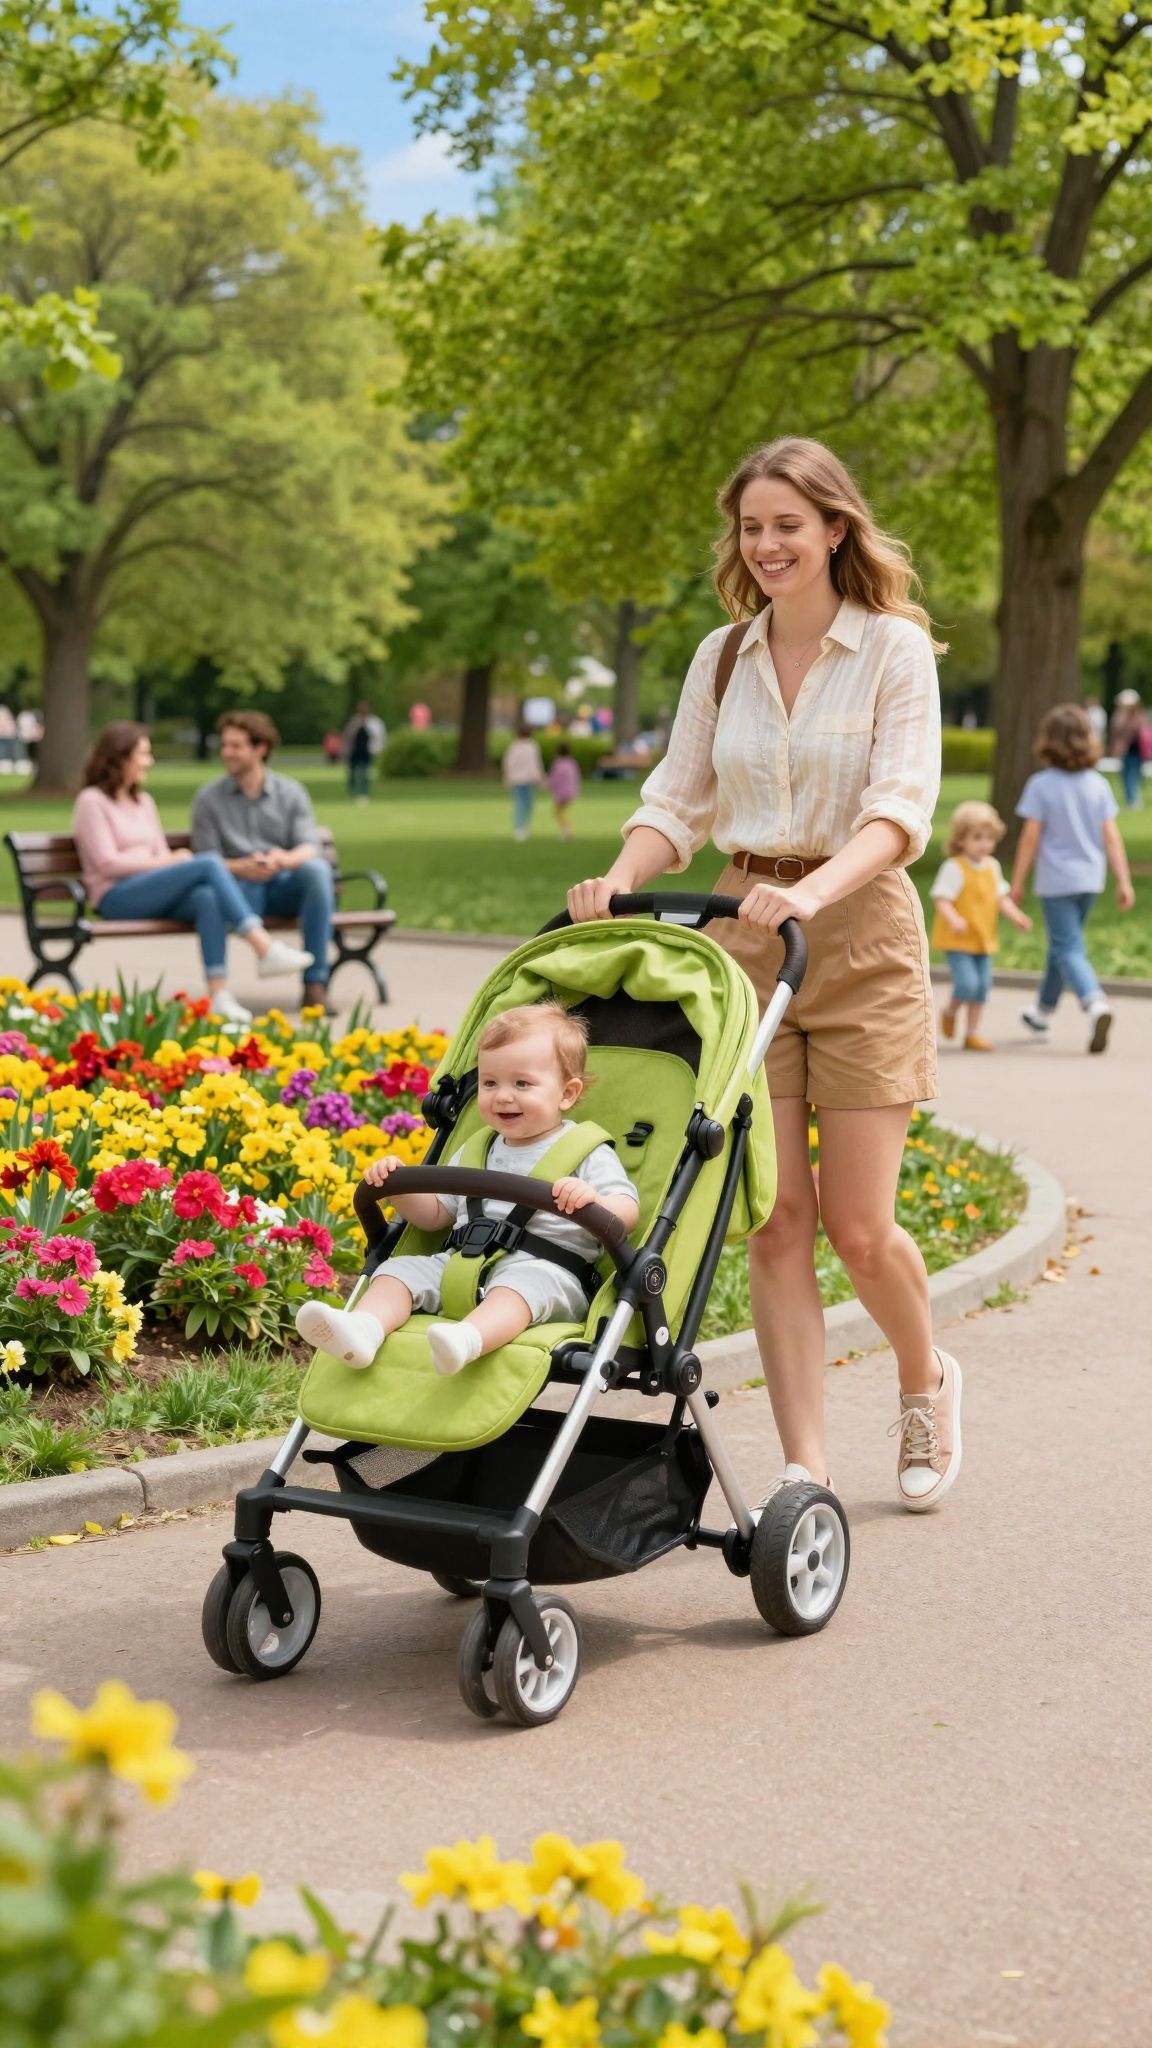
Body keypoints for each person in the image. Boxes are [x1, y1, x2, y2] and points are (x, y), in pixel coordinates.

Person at [566, 435, 960, 1511]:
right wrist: (619, 873)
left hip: (861, 934)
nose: (769, 543)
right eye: (753, 526)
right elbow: (677, 800)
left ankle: (923, 1379)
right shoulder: (723, 655)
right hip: (745, 942)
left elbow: (900, 807)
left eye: (790, 523)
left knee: (860, 1228)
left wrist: (817, 891)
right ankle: (807, 1469)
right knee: (777, 1215)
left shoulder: (892, 648)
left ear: (837, 527)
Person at [295, 1003, 639, 1375]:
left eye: (522, 1083)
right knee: (398, 1270)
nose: (502, 1096)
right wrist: (399, 1188)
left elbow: (627, 1211)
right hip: (463, 1264)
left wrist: (593, 1200)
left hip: (546, 1272)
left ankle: (466, 1340)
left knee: (518, 1290)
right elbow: (435, 1216)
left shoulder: (585, 1150)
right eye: (490, 1083)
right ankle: (363, 1331)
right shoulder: (479, 1146)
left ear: (567, 1094)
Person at [72, 723, 313, 1026]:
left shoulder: (142, 802)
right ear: (119, 759)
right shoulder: (92, 801)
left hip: (151, 890)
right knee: (209, 862)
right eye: (143, 754)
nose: (149, 761)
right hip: (116, 896)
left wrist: (170, 861)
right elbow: (107, 863)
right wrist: (173, 861)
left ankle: (218, 994)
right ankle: (263, 947)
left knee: (206, 897)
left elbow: (159, 853)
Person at [190, 710, 337, 1016]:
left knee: (317, 872)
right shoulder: (208, 799)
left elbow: (309, 846)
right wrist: (242, 867)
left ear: (261, 749)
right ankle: (220, 995)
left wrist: (282, 859)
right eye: (225, 745)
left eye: (236, 746)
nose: (226, 752)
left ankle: (315, 986)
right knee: (208, 895)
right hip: (239, 892)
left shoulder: (291, 792)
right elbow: (206, 861)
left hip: (282, 883)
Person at [1013, 704, 1135, 1054]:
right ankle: (1041, 1012)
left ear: (1047, 741)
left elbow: (1030, 838)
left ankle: (1095, 1003)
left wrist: (1018, 882)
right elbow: (1112, 837)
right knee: (1063, 946)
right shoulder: (1097, 785)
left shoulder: (1040, 785)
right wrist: (1123, 881)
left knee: (1067, 947)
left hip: (1056, 881)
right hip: (1090, 880)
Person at [930, 800, 1032, 1050]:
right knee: (967, 984)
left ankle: (972, 1033)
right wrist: (954, 919)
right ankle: (951, 1012)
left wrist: (1017, 916)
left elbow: (1001, 899)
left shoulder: (992, 867)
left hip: (983, 938)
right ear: (961, 839)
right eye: (977, 837)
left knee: (982, 987)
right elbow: (942, 900)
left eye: (989, 838)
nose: (984, 844)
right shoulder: (954, 868)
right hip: (958, 940)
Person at [503, 720, 545, 841]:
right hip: (528, 779)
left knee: (519, 804)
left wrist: (507, 776)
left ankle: (519, 828)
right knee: (527, 805)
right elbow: (536, 764)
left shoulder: (514, 746)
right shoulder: (532, 746)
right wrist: (540, 779)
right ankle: (523, 827)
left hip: (517, 779)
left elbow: (508, 763)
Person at [1108, 689, 1148, 809]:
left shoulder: (1139, 715)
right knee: (1125, 775)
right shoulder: (1120, 715)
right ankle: (1131, 797)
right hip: (1125, 750)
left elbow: (1140, 729)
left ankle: (1133, 798)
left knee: (1133, 774)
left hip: (1137, 750)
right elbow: (1115, 729)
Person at [548, 742, 582, 840]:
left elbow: (555, 778)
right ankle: (567, 830)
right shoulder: (572, 763)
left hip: (562, 793)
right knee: (559, 811)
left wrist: (546, 784)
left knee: (557, 812)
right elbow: (577, 777)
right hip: (571, 791)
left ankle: (568, 831)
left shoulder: (558, 764)